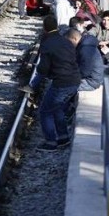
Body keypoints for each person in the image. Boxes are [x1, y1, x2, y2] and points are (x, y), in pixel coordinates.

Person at [22, 15, 80, 152]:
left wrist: (39, 78)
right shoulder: (65, 40)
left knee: (45, 111)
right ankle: (63, 137)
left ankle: (51, 142)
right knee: (57, 108)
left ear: (44, 28)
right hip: (74, 80)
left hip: (62, 83)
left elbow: (43, 68)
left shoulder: (47, 44)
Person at [68, 18, 104, 91]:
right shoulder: (84, 44)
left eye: (69, 41)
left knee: (60, 85)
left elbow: (85, 72)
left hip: (91, 82)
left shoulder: (85, 48)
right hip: (91, 78)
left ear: (74, 39)